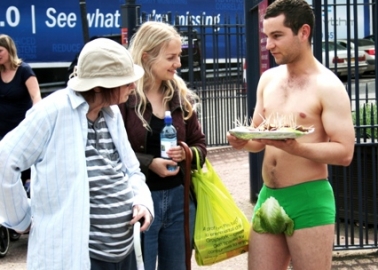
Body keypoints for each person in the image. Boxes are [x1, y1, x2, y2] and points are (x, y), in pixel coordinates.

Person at [0, 37, 154, 270]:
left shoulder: (111, 112)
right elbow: (5, 158)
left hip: (124, 253)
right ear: (100, 85)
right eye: (126, 81)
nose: (133, 86)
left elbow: (131, 170)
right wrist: (20, 219)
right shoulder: (52, 111)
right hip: (78, 257)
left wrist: (142, 201)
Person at [227, 0, 355, 269]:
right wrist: (242, 141)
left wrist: (297, 148)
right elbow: (258, 141)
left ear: (303, 32)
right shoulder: (268, 79)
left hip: (308, 198)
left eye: (277, 36)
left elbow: (345, 152)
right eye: (266, 37)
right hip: (268, 196)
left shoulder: (328, 86)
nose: (268, 45)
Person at [119, 21, 207, 270]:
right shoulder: (125, 98)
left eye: (179, 56)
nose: (178, 63)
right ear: (147, 57)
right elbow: (113, 152)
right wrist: (150, 164)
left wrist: (186, 153)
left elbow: (200, 145)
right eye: (171, 57)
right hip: (137, 204)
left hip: (180, 200)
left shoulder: (181, 96)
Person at [0, 34, 41, 192]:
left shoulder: (24, 70)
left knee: (22, 167)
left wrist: (37, 119)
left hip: (21, 129)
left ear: (9, 50)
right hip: (2, 129)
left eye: (0, 50)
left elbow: (36, 96)